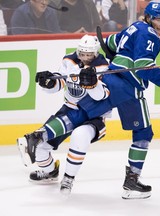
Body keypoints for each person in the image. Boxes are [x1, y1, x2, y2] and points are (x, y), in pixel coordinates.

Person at [18, 2, 160, 199]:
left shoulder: (132, 27)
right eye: (159, 19)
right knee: (143, 132)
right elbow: (143, 67)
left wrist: (117, 55)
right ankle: (132, 181)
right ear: (148, 17)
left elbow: (110, 44)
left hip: (111, 80)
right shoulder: (150, 35)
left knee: (82, 111)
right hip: (131, 90)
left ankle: (42, 135)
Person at [17, 34, 110, 188]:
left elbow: (102, 96)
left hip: (92, 114)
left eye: (89, 55)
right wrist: (48, 82)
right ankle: (50, 172)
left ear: (96, 53)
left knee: (78, 139)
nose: (85, 57)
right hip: (69, 109)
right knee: (41, 148)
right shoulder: (69, 60)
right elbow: (61, 81)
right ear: (78, 51)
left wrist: (93, 84)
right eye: (82, 54)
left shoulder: (103, 66)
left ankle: (68, 176)